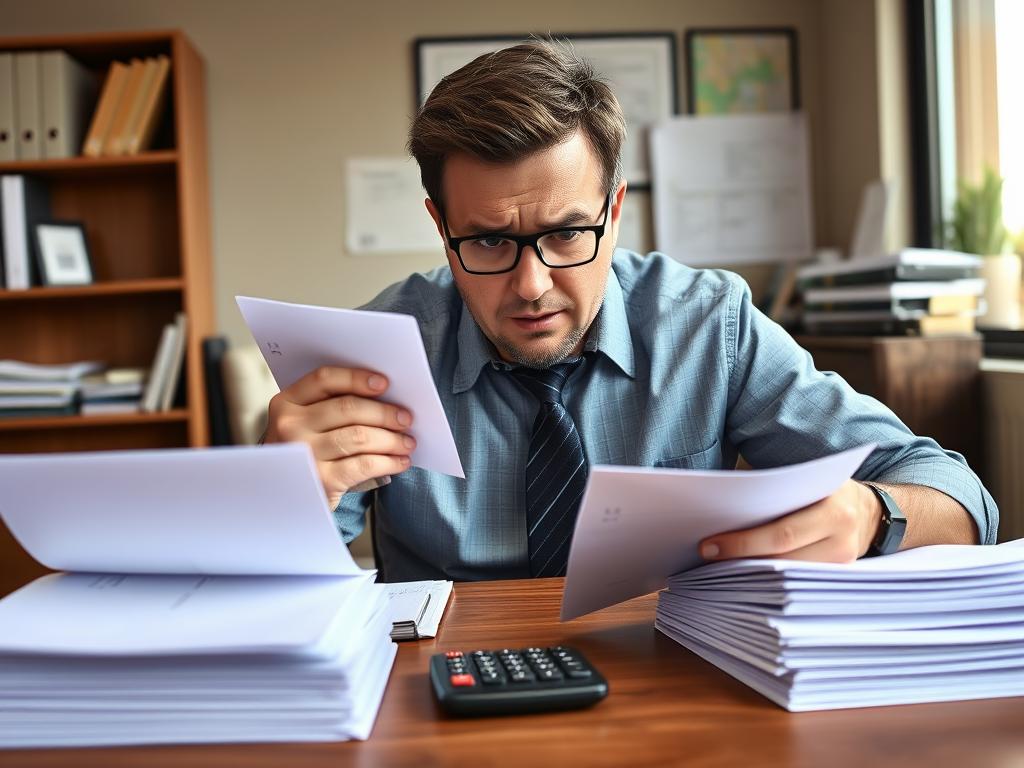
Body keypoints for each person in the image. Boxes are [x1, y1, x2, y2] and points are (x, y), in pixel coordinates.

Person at [264, 41, 997, 582]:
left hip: (667, 670)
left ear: (614, 213)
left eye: (566, 235)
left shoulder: (709, 326)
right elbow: (267, 587)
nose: (531, 285)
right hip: (447, 683)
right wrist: (282, 495)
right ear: (441, 226)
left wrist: (869, 514)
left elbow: (959, 497)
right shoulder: (380, 350)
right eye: (488, 241)